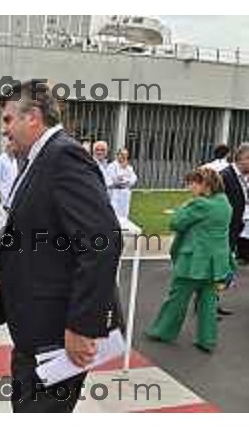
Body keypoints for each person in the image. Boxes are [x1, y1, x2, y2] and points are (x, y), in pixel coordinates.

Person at [0, 81, 121, 413]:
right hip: (33, 327)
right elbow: (1, 221)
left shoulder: (64, 156)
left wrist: (82, 326)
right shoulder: (34, 161)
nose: (4, 130)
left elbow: (102, 243)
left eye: (8, 120)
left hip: (58, 332)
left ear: (33, 117)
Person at [146, 168, 234, 353]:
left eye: (193, 183)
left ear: (205, 184)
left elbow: (176, 223)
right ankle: (207, 340)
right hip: (215, 264)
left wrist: (187, 204)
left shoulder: (200, 204)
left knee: (177, 298)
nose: (189, 187)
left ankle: (162, 331)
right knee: (209, 302)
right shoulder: (224, 203)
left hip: (194, 261)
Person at [221, 143, 249, 265]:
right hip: (228, 226)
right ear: (240, 158)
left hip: (241, 224)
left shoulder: (246, 176)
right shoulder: (225, 176)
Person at [107, 148, 138, 220]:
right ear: (118, 155)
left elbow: (133, 178)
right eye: (122, 155)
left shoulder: (129, 167)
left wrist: (127, 181)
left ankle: (123, 228)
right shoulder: (112, 166)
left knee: (124, 212)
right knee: (114, 212)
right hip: (115, 192)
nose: (124, 157)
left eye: (125, 155)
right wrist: (121, 179)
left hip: (125, 192)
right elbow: (113, 179)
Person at [0, 138, 19, 208]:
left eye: (13, 146)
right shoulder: (0, 160)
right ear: (6, 147)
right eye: (9, 146)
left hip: (13, 193)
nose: (12, 149)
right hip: (3, 194)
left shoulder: (15, 160)